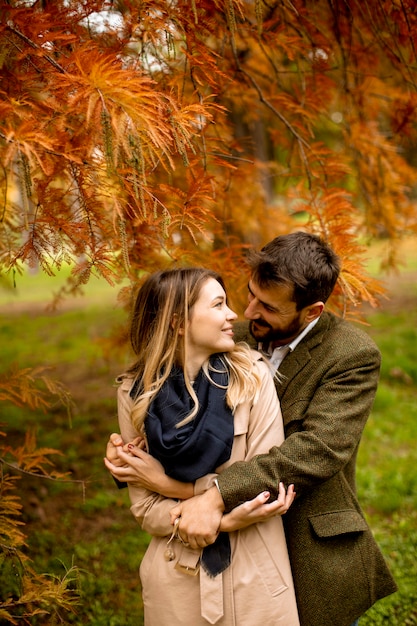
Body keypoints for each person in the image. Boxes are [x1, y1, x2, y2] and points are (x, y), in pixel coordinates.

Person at [106, 232, 397, 626]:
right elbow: (168, 399)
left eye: (268, 306)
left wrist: (206, 496)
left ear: (311, 311)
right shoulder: (230, 338)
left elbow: (316, 450)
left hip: (306, 534)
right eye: (250, 294)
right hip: (215, 543)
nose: (247, 311)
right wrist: (129, 460)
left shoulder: (350, 355)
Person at [105, 267, 300, 626]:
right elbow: (145, 507)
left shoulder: (253, 378)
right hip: (174, 581)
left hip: (256, 577)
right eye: (219, 304)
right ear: (179, 322)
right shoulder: (134, 395)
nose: (233, 315)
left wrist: (181, 492)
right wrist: (222, 519)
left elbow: (268, 483)